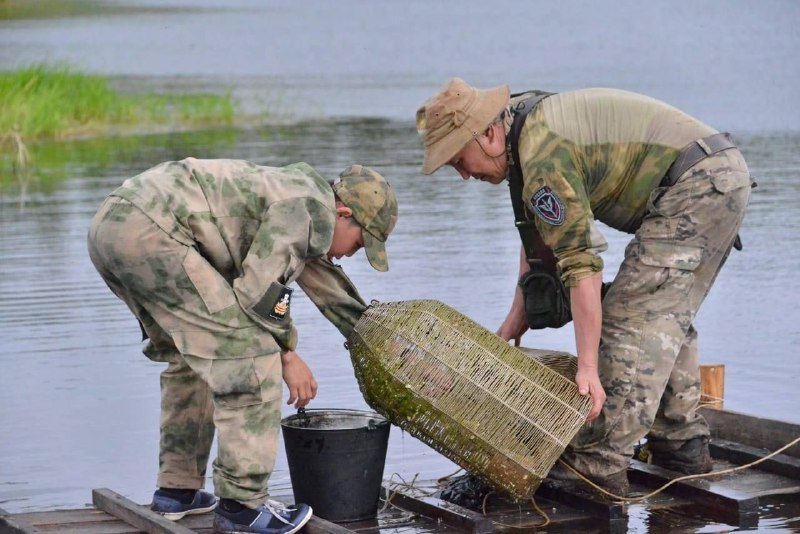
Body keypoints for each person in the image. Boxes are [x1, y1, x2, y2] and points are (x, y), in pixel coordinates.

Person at [415, 78, 753, 496]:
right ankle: (680, 443)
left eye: (459, 159)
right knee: (660, 309)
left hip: (699, 184)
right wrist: (511, 326)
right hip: (711, 172)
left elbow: (580, 266)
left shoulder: (540, 156)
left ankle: (596, 463)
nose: (464, 175)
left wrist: (588, 368)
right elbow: (540, 239)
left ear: (486, 134)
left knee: (635, 318)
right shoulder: (520, 126)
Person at [87, 158, 398, 533]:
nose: (350, 254)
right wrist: (287, 354)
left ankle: (177, 490)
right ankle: (242, 505)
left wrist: (388, 349)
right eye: (360, 242)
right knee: (252, 356)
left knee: (192, 358)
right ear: (344, 213)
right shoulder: (307, 208)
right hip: (155, 231)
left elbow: (330, 290)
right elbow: (258, 293)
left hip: (113, 226)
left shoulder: (300, 200)